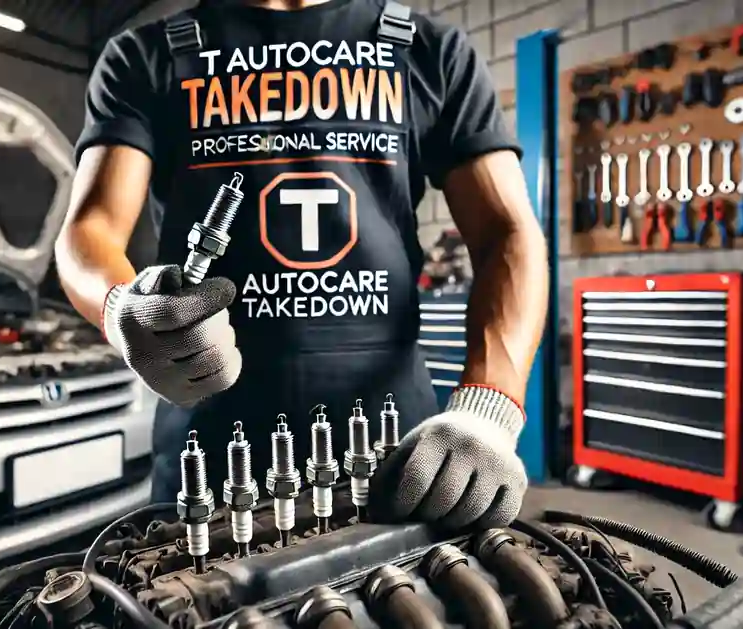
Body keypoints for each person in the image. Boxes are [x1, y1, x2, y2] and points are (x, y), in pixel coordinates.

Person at [55, 0, 548, 529]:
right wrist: (122, 307)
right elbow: (90, 229)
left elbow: (508, 232)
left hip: (393, 446)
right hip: (209, 445)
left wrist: (489, 410)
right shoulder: (146, 56)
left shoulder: (430, 52)